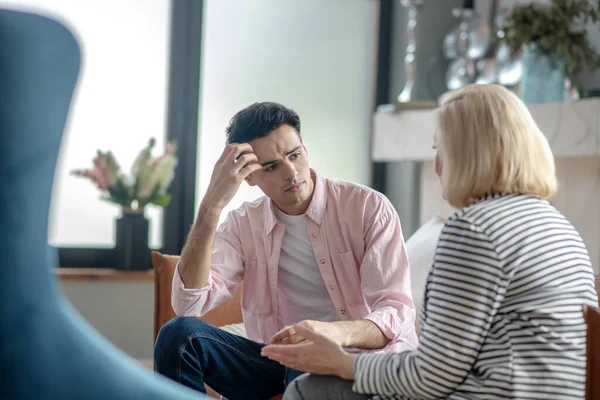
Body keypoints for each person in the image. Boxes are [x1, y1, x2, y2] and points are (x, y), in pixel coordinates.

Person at [262, 84, 600, 400]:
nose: (437, 165)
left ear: (467, 155)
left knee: (312, 389)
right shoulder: (554, 222)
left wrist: (340, 362)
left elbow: (433, 375)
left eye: (440, 148)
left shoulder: (474, 229)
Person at [153, 102, 419, 400]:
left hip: (355, 361)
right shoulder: (244, 223)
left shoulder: (367, 208)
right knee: (178, 336)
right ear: (249, 177)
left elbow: (396, 312)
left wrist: (333, 333)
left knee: (305, 357)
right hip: (279, 362)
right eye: (271, 167)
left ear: (304, 148)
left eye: (294, 155)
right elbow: (189, 304)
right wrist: (211, 206)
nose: (291, 172)